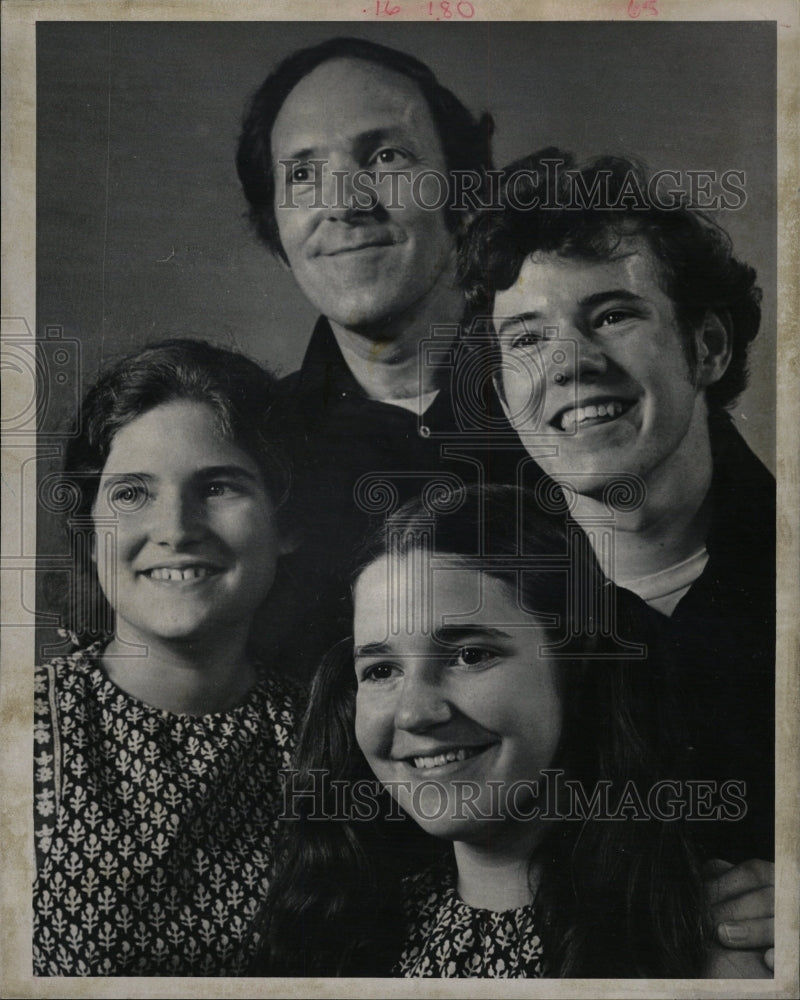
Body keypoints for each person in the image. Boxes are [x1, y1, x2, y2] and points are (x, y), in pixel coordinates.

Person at [257, 485, 772, 978]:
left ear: (577, 670)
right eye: (381, 671)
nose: (414, 713)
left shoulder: (708, 946)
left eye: (470, 655)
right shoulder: (346, 934)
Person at [460, 149, 775, 867]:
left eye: (611, 315)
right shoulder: (467, 598)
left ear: (710, 347)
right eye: (529, 338)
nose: (570, 362)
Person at [236, 36, 531, 678]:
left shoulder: (579, 398)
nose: (344, 203)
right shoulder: (257, 451)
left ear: (466, 188)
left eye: (386, 156)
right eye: (303, 174)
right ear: (276, 228)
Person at [33, 339, 303, 975]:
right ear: (90, 529)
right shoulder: (22, 729)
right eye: (131, 494)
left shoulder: (333, 734)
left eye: (218, 486)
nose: (176, 527)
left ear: (286, 523)